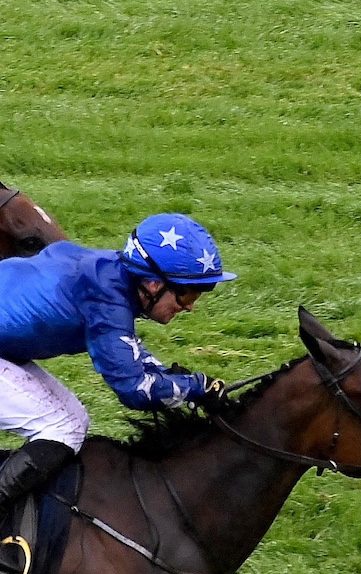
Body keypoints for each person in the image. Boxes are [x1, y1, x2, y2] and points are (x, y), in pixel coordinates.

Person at [0, 213, 234, 530]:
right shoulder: (104, 298)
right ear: (153, 284)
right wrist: (195, 387)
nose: (190, 306)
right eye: (187, 294)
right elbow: (134, 388)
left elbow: (130, 353)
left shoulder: (109, 274)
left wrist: (176, 379)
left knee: (74, 420)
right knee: (61, 427)